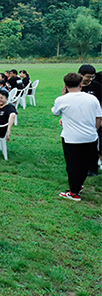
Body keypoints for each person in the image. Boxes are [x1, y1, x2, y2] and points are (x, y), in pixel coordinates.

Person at [52, 73, 102, 201]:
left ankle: (74, 192)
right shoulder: (92, 99)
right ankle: (78, 185)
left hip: (71, 138)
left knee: (73, 165)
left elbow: (55, 112)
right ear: (80, 84)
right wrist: (94, 130)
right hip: (90, 137)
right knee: (85, 164)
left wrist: (63, 96)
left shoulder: (61, 100)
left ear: (65, 85)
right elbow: (99, 118)